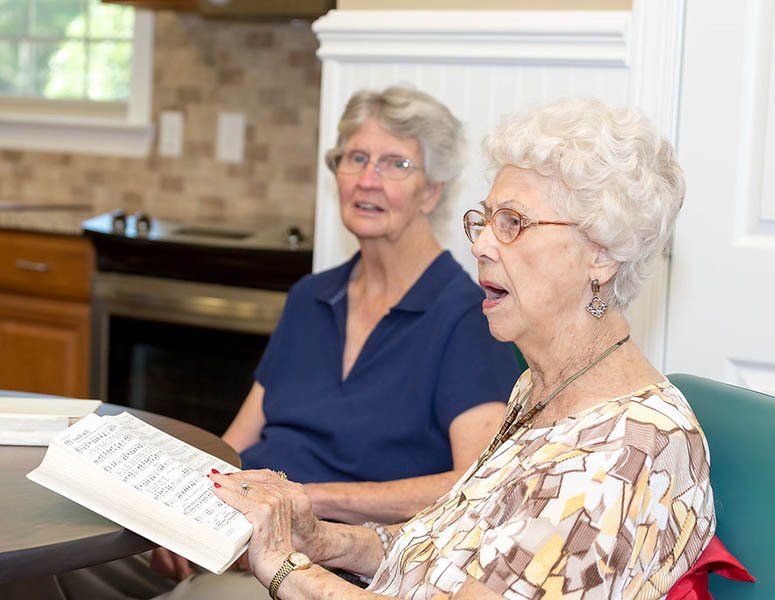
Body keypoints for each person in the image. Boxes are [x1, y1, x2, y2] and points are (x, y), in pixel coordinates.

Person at [207, 97, 716, 599]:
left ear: (602, 255)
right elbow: (437, 554)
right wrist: (320, 539)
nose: (481, 245)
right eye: (486, 220)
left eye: (513, 223)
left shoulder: (626, 450)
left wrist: (286, 569)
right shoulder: (542, 390)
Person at [144, 85, 520, 590]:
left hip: (331, 566)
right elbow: (238, 440)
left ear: (432, 191)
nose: (368, 179)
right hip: (233, 532)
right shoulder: (310, 296)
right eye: (356, 158)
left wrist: (306, 501)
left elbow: (471, 486)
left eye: (395, 164)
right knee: (70, 568)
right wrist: (182, 506)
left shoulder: (466, 315)